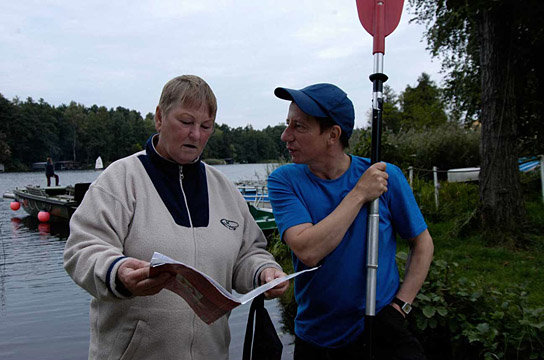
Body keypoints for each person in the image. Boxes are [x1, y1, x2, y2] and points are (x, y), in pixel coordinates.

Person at [63, 75, 289, 360]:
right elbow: (82, 249)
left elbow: (247, 254)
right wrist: (118, 272)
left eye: (205, 126)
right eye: (186, 122)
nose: (196, 134)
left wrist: (263, 272)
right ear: (159, 117)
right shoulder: (120, 179)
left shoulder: (224, 189)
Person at [267, 83, 434, 360]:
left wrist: (401, 306)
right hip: (317, 339)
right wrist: (359, 193)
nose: (286, 136)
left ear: (332, 134)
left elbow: (422, 242)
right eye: (288, 124)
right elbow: (308, 251)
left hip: (380, 326)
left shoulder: (384, 176)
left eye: (299, 127)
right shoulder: (285, 180)